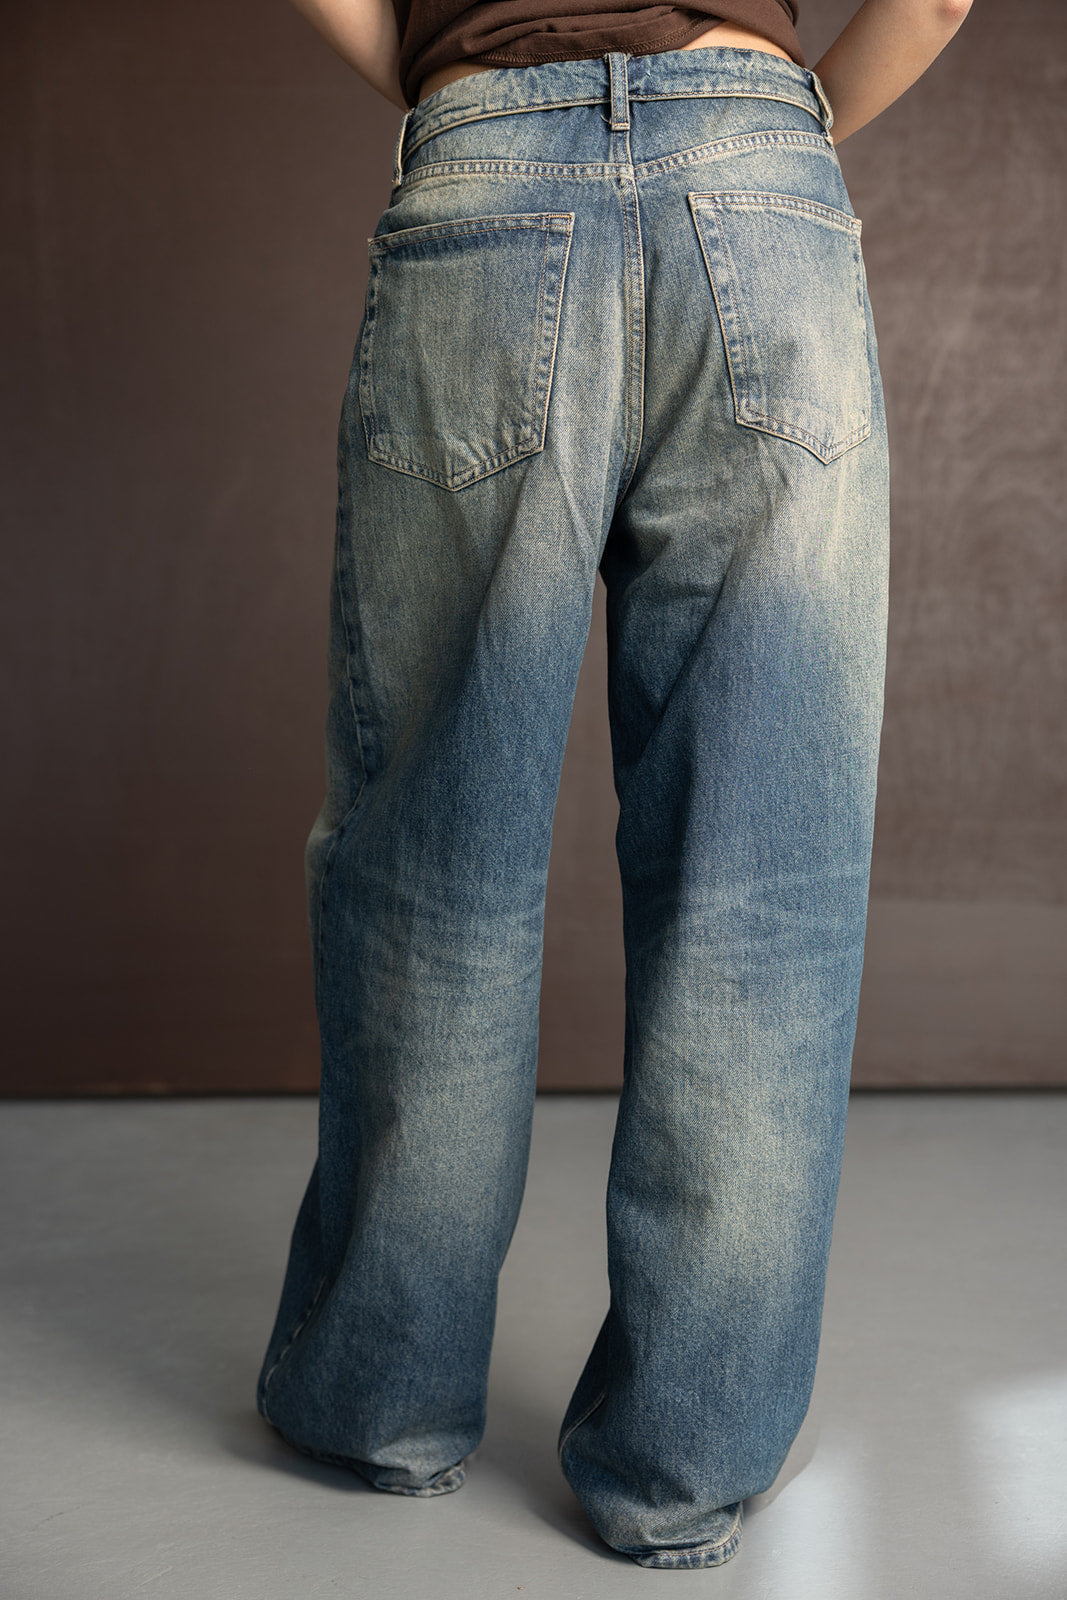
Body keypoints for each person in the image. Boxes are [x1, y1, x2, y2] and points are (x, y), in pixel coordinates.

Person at [256, 0, 972, 1570]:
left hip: (486, 184)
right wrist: (778, 129)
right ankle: (682, 1467)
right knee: (758, 895)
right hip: (763, 192)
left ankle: (382, 1402)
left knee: (434, 868)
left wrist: (448, 77)